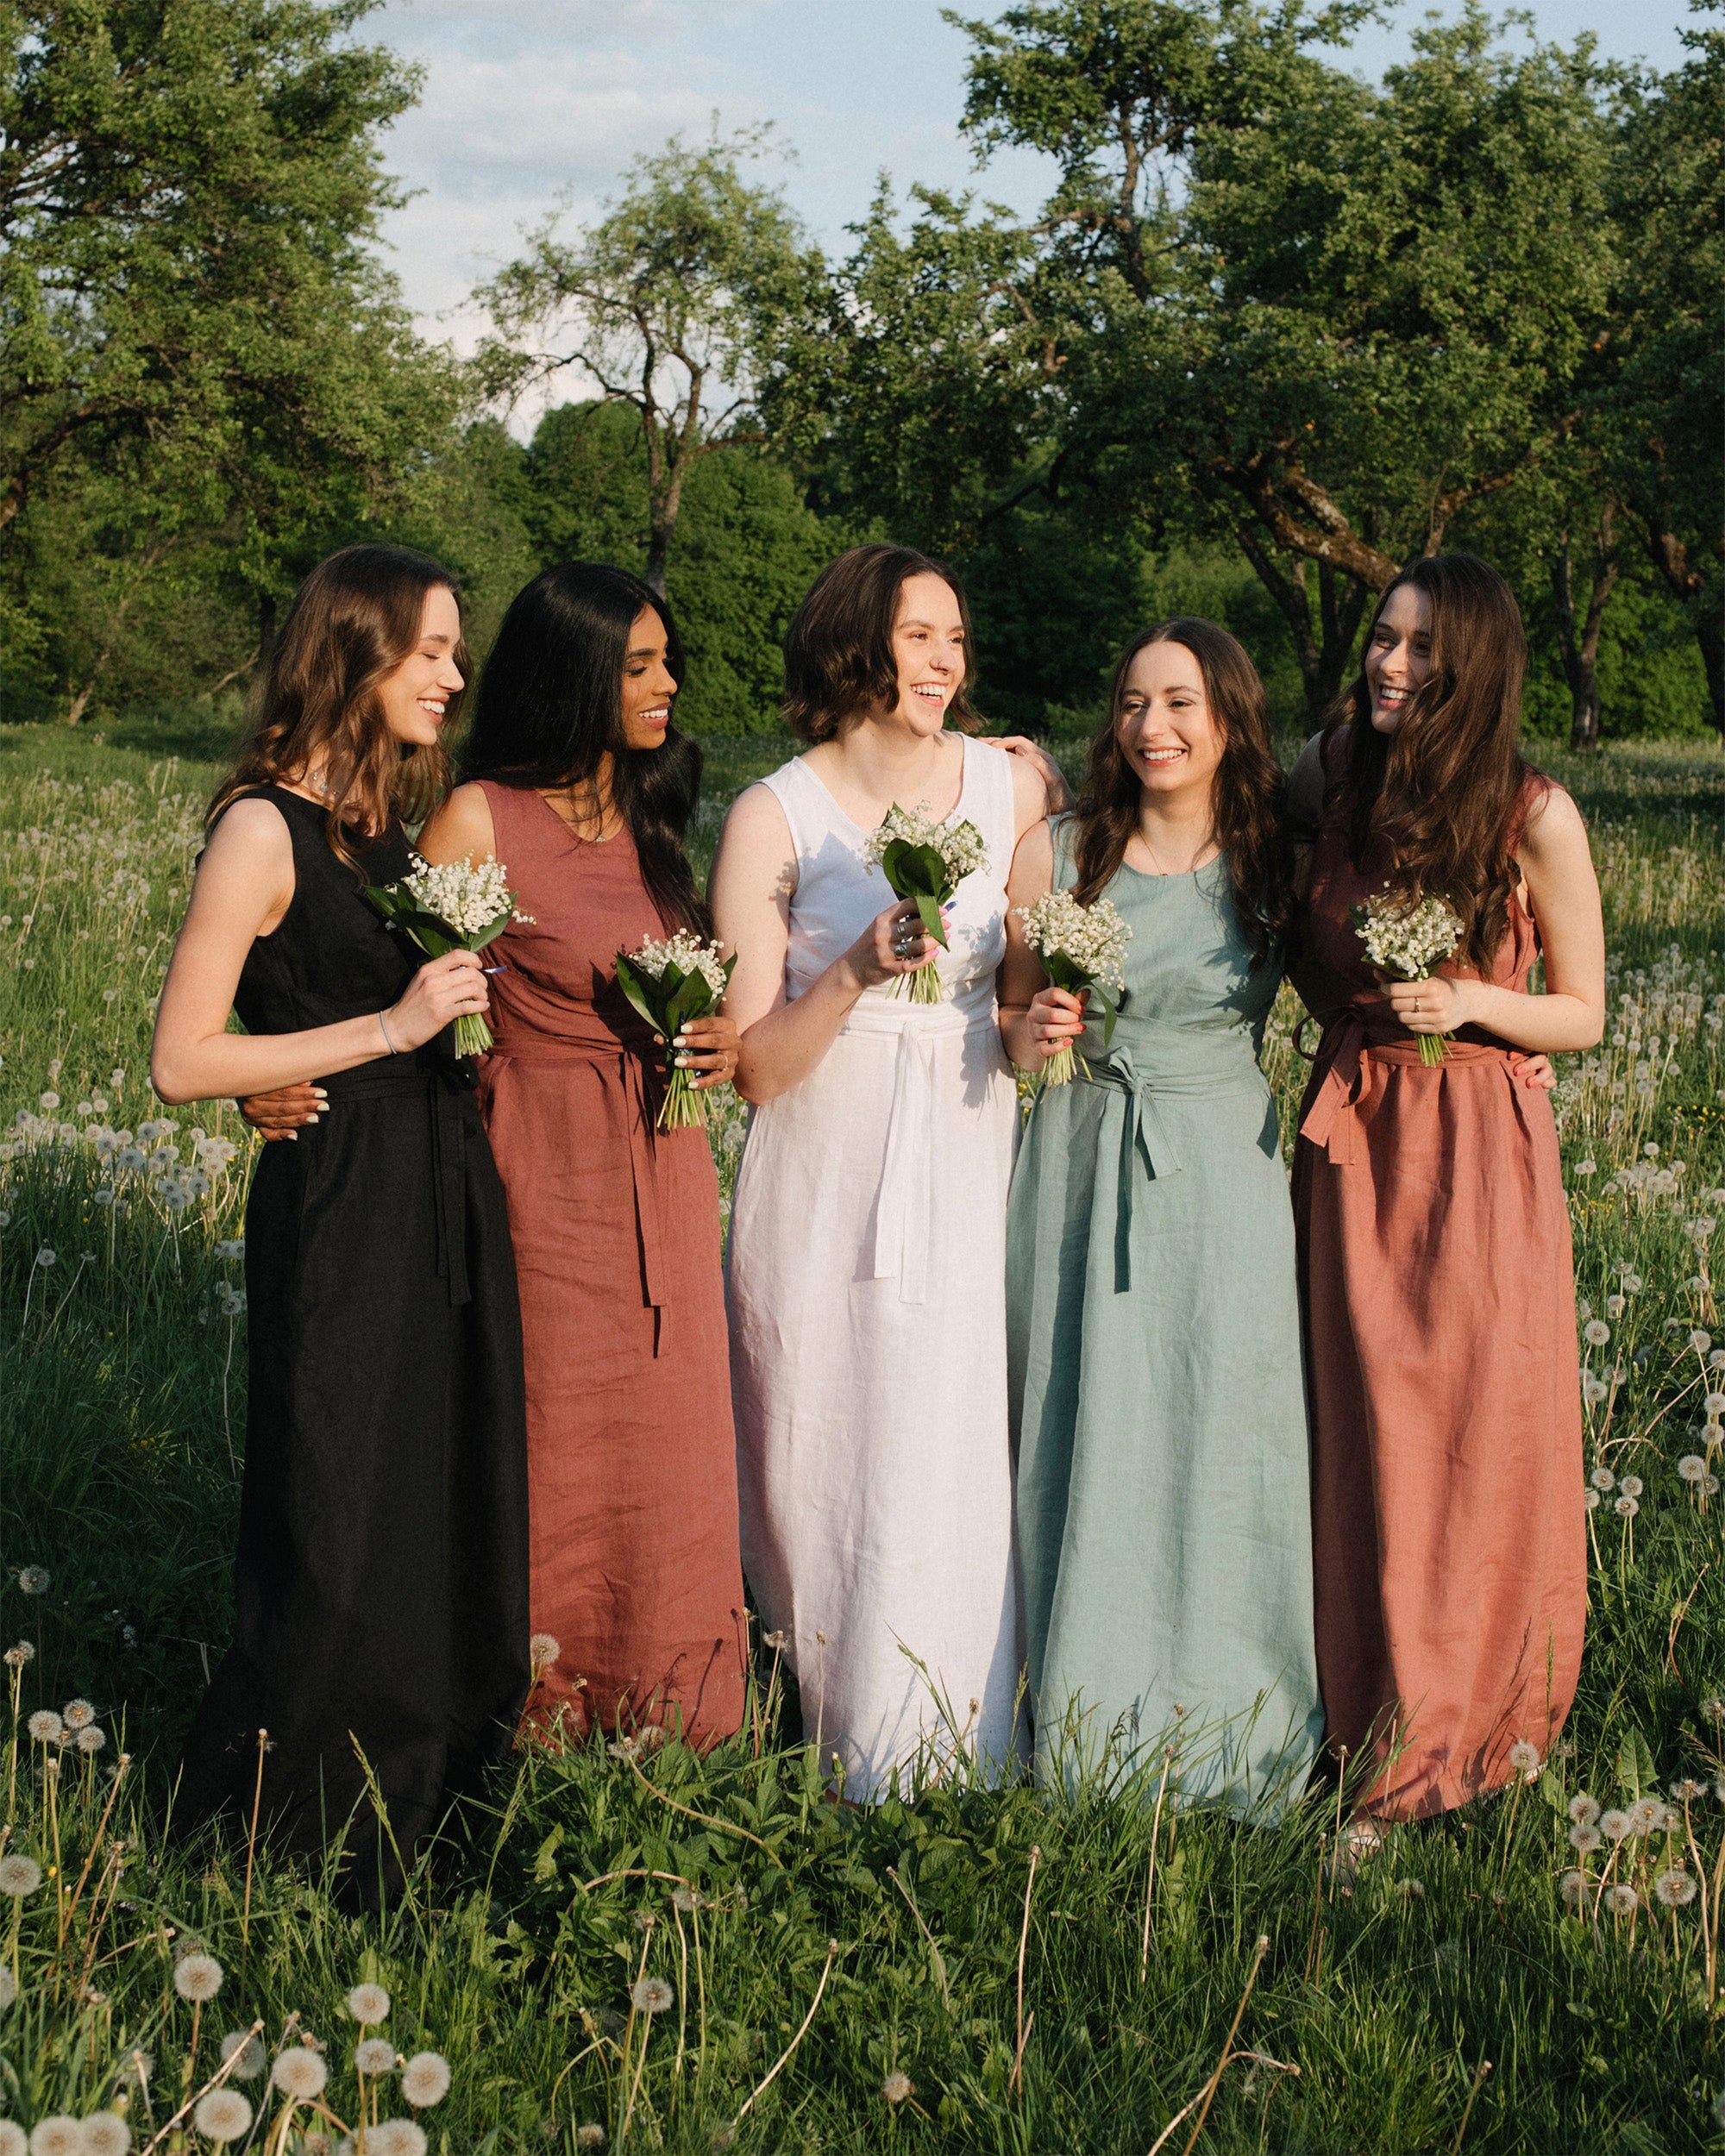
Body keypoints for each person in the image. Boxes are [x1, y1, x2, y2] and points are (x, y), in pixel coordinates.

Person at [151, 544, 530, 1902]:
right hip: (340, 1198)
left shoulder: (385, 834)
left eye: (456, 651)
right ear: (354, 654)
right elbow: (184, 1058)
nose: (453, 672)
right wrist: (391, 1024)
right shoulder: (265, 829)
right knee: (335, 1503)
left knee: (432, 1496)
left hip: (439, 1189)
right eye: (429, 649)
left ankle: (419, 1809)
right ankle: (277, 1838)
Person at [711, 542, 1059, 1799]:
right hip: (826, 1146)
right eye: (921, 637)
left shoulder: (1010, 787)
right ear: (857, 644)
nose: (946, 662)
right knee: (824, 1433)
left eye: (956, 641)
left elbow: (1021, 1001)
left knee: (951, 1431)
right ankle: (833, 1723)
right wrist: (852, 971)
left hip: (966, 1137)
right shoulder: (775, 814)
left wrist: (1044, 1027)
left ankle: (959, 1742)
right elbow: (752, 1064)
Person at [1288, 551, 1603, 1819]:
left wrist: (1477, 1000)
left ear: (1472, 669)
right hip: (1353, 1137)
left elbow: (1584, 1012)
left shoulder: (1533, 813)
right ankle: (1355, 1716)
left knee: (1468, 1438)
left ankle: (1461, 1737)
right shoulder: (1331, 776)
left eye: (1422, 648)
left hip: (1477, 1146)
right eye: (1383, 637)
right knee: (1361, 1435)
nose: (1391, 663)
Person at [415, 563, 747, 1747]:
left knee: (673, 1448)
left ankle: (681, 1718)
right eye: (638, 665)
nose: (665, 685)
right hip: (542, 1176)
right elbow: (418, 1008)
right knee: (556, 1444)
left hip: (663, 1167)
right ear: (572, 678)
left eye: (667, 661)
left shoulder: (653, 818)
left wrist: (710, 1038)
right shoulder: (480, 816)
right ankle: (541, 1717)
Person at [1000, 618, 1324, 1809]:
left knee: (1225, 1430)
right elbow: (1006, 1012)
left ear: (1231, 717)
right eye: (1134, 704)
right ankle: (1084, 1714)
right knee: (1084, 1422)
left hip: (1221, 1170)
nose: (1154, 728)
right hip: (1082, 1156)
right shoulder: (1064, 849)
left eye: (1181, 704)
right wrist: (1030, 1033)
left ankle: (1235, 1724)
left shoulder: (1274, 855)